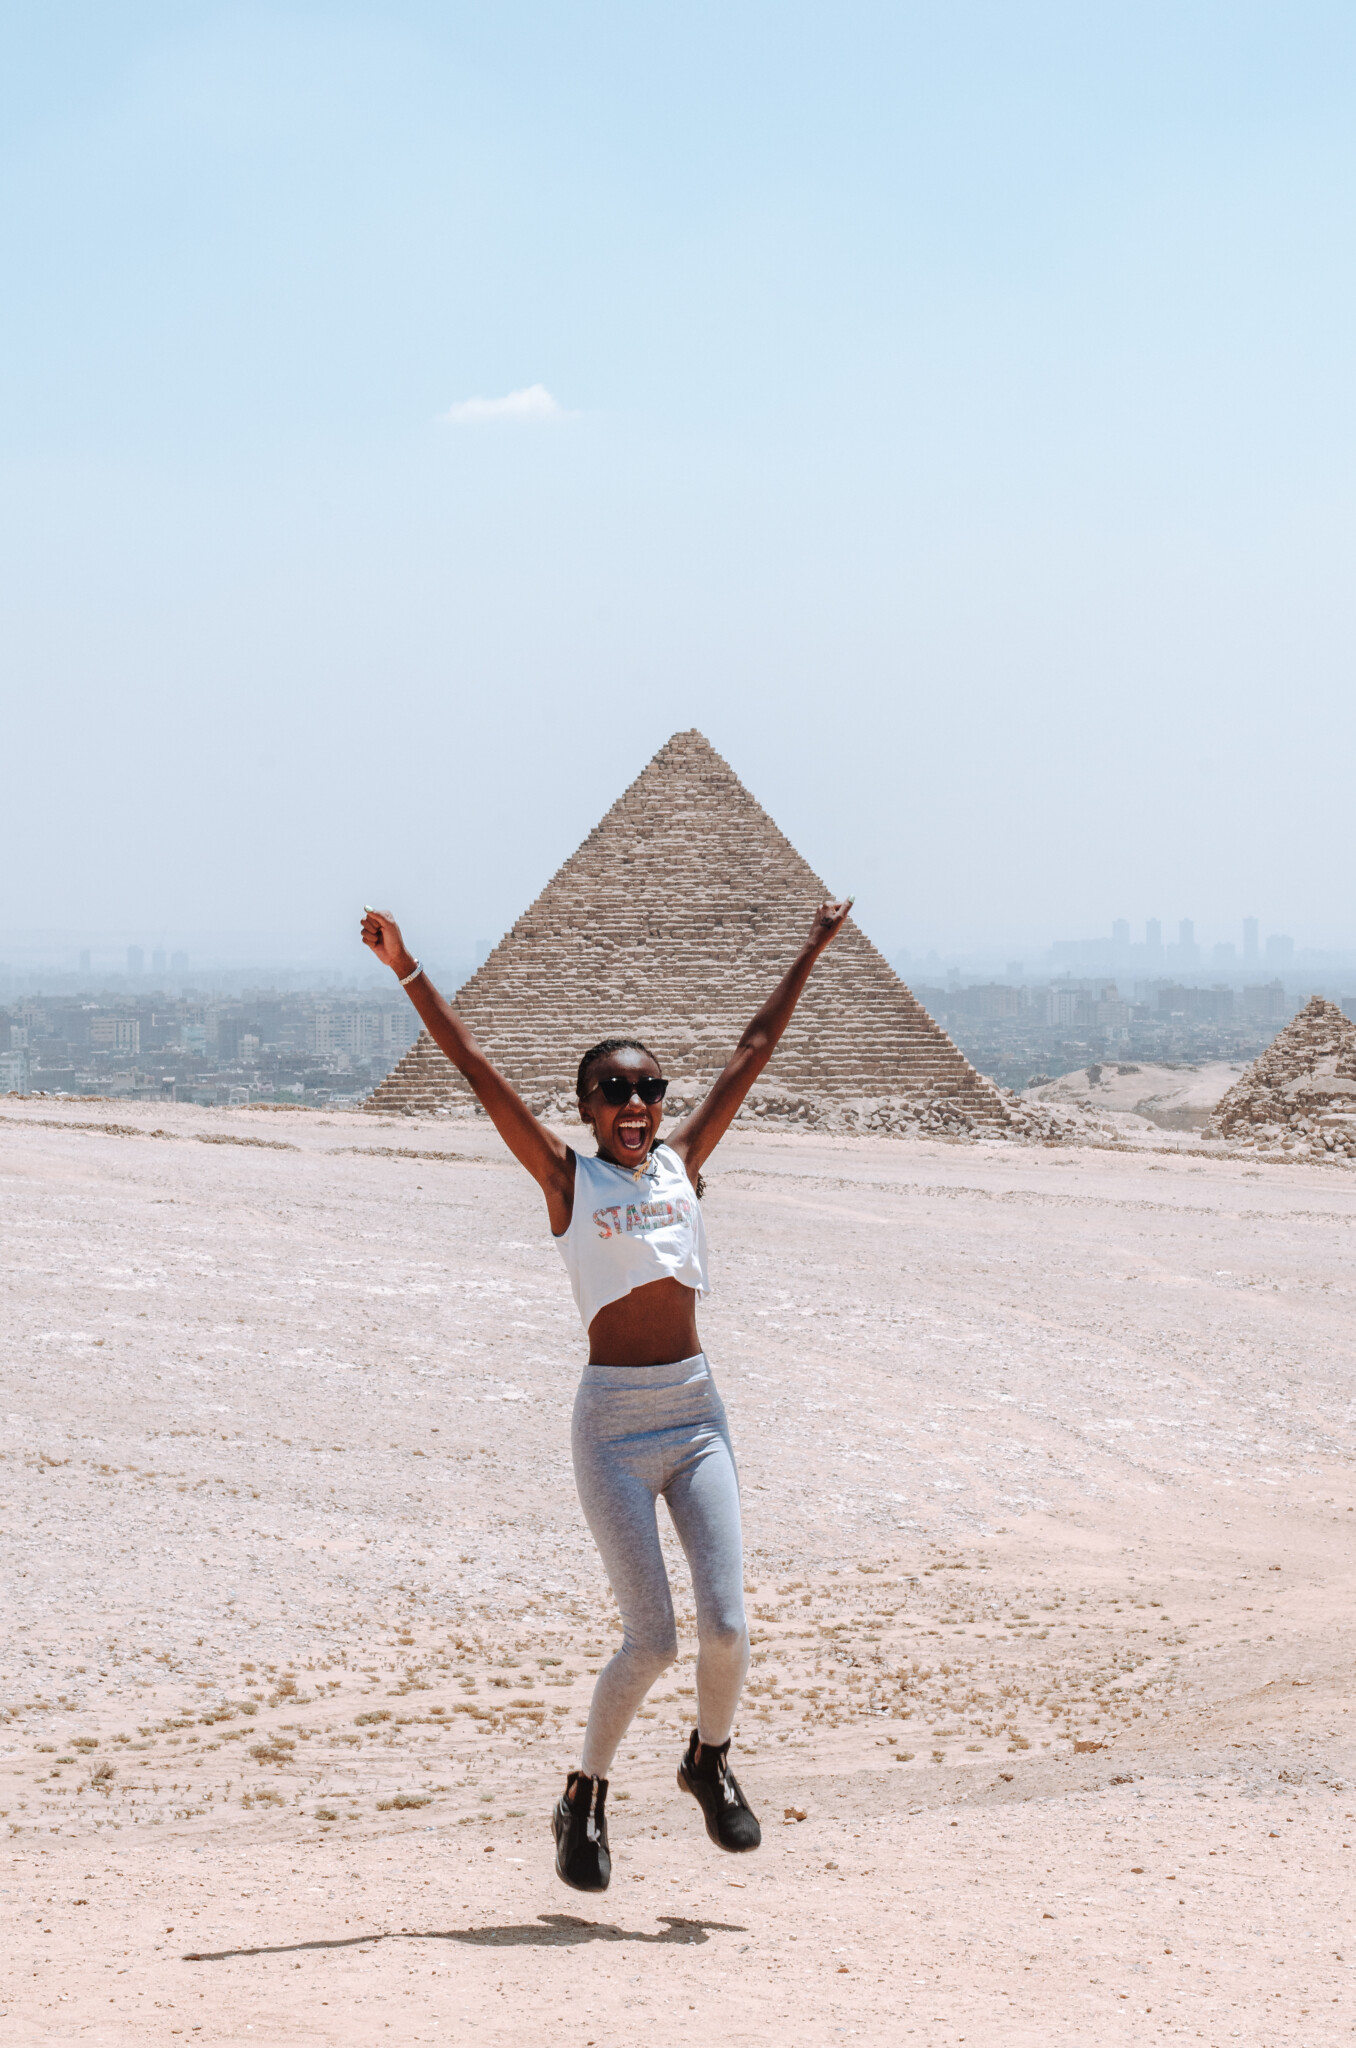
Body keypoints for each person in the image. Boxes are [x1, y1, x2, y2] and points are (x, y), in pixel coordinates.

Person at [360, 898, 851, 1891]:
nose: (635, 1102)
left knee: (726, 1627)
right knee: (653, 1636)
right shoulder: (568, 1181)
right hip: (615, 1431)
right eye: (612, 1089)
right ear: (586, 1106)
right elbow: (477, 1075)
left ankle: (708, 1759)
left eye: (648, 1088)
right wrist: (408, 969)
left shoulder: (681, 1163)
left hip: (697, 1415)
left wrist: (811, 945)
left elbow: (751, 1052)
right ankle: (584, 1793)